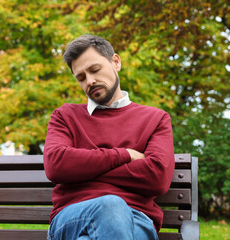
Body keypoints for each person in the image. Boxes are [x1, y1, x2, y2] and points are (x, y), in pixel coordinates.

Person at [43, 34, 175, 240]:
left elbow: (157, 178)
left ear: (116, 62)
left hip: (137, 218)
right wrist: (124, 155)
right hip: (72, 217)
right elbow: (56, 165)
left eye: (95, 70)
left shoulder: (156, 119)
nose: (90, 81)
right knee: (110, 204)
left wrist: (82, 168)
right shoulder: (65, 116)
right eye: (81, 77)